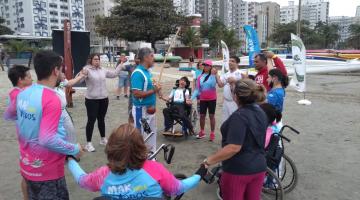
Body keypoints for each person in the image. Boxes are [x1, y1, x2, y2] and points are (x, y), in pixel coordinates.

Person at [67, 123, 205, 199]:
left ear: (112, 148)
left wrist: (70, 160)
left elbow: (82, 180)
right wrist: (199, 174)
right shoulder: (155, 169)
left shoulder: (103, 174)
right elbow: (178, 188)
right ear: (141, 146)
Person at [15, 50, 83, 200]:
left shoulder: (23, 93)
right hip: (47, 171)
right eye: (61, 68)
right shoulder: (52, 98)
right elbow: (47, 139)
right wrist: (74, 148)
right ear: (55, 70)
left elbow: (21, 126)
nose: (62, 72)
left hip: (27, 165)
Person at [202, 79, 268, 200]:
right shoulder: (261, 112)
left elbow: (233, 147)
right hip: (259, 167)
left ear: (235, 96)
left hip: (238, 170)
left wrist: (209, 161)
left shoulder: (239, 116)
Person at [71, 53, 125, 152]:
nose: (97, 61)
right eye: (95, 59)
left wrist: (121, 63)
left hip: (104, 98)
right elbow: (78, 81)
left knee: (101, 119)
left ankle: (103, 139)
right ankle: (88, 143)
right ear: (90, 60)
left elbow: (114, 74)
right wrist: (80, 74)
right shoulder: (87, 69)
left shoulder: (102, 69)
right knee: (91, 121)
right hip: (91, 100)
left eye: (98, 59)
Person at [3, 65, 33, 200]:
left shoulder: (19, 92)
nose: (32, 79)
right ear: (20, 80)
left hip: (26, 135)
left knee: (29, 172)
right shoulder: (18, 94)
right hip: (26, 137)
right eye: (29, 77)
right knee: (27, 174)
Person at [131, 47, 161, 153]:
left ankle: (151, 156)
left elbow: (153, 87)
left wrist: (158, 90)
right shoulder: (138, 73)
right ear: (145, 57)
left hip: (151, 110)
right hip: (141, 111)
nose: (154, 58)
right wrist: (153, 90)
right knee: (141, 136)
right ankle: (139, 157)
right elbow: (136, 94)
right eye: (152, 55)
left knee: (151, 134)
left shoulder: (148, 72)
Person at [191, 59, 218, 141]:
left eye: (207, 65)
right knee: (202, 115)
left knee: (211, 116)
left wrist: (213, 75)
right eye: (204, 65)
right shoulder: (200, 77)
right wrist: (191, 98)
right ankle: (202, 131)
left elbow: (213, 86)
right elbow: (197, 90)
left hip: (212, 99)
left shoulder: (213, 75)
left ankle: (212, 132)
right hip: (203, 99)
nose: (205, 66)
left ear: (210, 67)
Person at [215, 56, 245, 122]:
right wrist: (216, 74)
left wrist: (235, 81)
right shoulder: (226, 74)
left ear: (237, 63)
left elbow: (246, 86)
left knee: (235, 122)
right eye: (229, 61)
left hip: (235, 103)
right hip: (226, 102)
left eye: (233, 61)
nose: (230, 63)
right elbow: (220, 85)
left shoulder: (241, 74)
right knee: (225, 122)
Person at [126, 57, 140, 123]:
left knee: (140, 113)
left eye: (139, 58)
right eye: (136, 58)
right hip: (133, 93)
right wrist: (121, 61)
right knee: (131, 112)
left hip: (142, 94)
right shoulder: (131, 67)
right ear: (134, 59)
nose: (138, 60)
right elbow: (118, 68)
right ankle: (130, 129)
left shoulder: (145, 68)